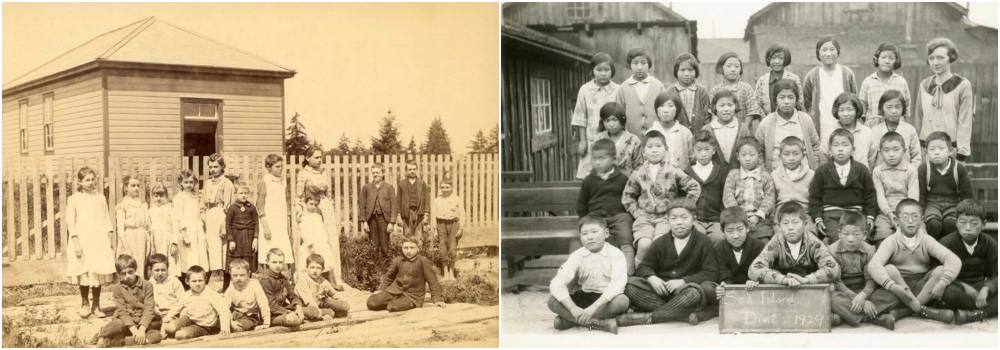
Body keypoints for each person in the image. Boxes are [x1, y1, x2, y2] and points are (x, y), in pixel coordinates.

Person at [617, 199, 718, 327]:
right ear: (668, 220)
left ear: (694, 219)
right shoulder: (661, 242)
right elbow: (644, 266)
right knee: (628, 285)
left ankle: (650, 317)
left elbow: (711, 273)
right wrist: (652, 277)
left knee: (694, 293)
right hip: (661, 292)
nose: (679, 222)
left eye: (684, 217)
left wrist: (683, 281)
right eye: (674, 218)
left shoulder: (703, 242)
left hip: (685, 292)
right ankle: (680, 314)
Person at [866, 199, 961, 324]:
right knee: (890, 269)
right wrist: (892, 286)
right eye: (905, 217)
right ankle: (923, 310)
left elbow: (953, 260)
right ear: (896, 220)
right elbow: (873, 265)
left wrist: (943, 283)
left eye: (915, 217)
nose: (910, 221)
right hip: (900, 286)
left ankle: (905, 311)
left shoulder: (926, 240)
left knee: (940, 271)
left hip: (922, 286)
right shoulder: (891, 241)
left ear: (922, 220)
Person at [622, 130, 701, 266]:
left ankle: (661, 273)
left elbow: (694, 187)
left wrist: (682, 209)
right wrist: (636, 212)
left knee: (661, 241)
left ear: (666, 149)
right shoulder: (639, 172)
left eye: (658, 146)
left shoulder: (673, 170)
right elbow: (628, 196)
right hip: (645, 217)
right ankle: (640, 273)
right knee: (645, 244)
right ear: (643, 152)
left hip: (666, 217)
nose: (654, 150)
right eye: (650, 147)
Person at [547, 216, 629, 334]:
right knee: (552, 301)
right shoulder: (577, 255)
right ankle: (600, 324)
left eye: (594, 232)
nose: (590, 237)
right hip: (584, 297)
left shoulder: (616, 254)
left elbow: (617, 284)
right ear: (580, 237)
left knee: (622, 301)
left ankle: (569, 321)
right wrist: (572, 308)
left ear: (606, 233)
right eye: (584, 233)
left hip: (605, 300)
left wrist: (594, 308)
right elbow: (557, 282)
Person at [828, 212, 897, 329]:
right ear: (839, 234)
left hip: (866, 290)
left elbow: (872, 279)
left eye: (856, 234)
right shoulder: (831, 251)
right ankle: (875, 318)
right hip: (844, 291)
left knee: (893, 293)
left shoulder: (869, 250)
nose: (851, 239)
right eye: (846, 234)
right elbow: (837, 282)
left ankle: (845, 316)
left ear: (865, 235)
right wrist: (860, 300)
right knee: (831, 298)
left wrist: (863, 296)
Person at [808, 128, 878, 244]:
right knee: (837, 240)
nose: (840, 149)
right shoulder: (822, 171)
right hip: (831, 215)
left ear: (853, 150)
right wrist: (817, 218)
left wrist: (870, 216)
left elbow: (870, 195)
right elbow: (815, 197)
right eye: (836, 145)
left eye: (845, 145)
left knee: (857, 240)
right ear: (830, 150)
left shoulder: (861, 170)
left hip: (856, 214)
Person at [697, 207, 765, 324]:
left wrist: (755, 281)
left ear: (747, 228)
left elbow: (762, 270)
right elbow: (723, 273)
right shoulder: (720, 248)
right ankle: (725, 309)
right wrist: (724, 285)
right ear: (723, 232)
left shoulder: (758, 246)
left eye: (740, 229)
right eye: (730, 231)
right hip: (730, 290)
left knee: (763, 289)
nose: (736, 235)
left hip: (751, 288)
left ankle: (716, 311)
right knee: (706, 287)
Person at [748, 202, 840, 289]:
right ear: (779, 226)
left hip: (809, 289)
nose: (790, 228)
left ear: (805, 224)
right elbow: (754, 269)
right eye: (785, 223)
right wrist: (782, 279)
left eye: (795, 222)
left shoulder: (813, 242)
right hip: (782, 290)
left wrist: (808, 280)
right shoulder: (776, 242)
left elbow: (834, 268)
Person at [66, 166, 116, 318]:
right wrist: (76, 242)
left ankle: (96, 305)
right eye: (87, 180)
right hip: (82, 239)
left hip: (98, 239)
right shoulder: (74, 199)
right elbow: (71, 222)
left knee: (97, 271)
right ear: (79, 182)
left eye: (93, 179)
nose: (91, 182)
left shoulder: (100, 198)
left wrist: (109, 238)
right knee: (84, 271)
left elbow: (106, 218)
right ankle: (84, 303)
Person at [914, 37, 974, 161]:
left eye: (940, 58)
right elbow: (918, 118)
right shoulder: (924, 85)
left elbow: (965, 121)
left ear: (950, 58)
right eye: (931, 58)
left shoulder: (962, 85)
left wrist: (961, 152)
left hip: (951, 150)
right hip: (926, 149)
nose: (935, 62)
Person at [938, 199, 998, 324]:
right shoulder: (946, 243)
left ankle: (969, 315)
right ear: (956, 223)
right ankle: (981, 312)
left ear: (984, 224)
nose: (968, 228)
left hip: (979, 285)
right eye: (963, 222)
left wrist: (987, 288)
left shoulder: (990, 243)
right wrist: (964, 287)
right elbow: (937, 273)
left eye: (974, 223)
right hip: (955, 285)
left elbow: (994, 274)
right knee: (948, 294)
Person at [297, 147, 345, 288]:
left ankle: (333, 278)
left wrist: (329, 206)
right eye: (316, 157)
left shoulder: (323, 172)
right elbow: (299, 196)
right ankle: (313, 278)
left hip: (325, 208)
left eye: (320, 157)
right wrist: (300, 210)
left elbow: (329, 194)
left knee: (329, 241)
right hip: (312, 210)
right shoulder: (303, 174)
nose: (319, 160)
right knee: (314, 242)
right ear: (308, 158)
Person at [96, 254, 163, 347]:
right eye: (123, 273)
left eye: (130, 272)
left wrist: (142, 329)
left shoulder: (147, 285)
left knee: (157, 336)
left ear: (135, 270)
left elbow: (149, 309)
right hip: (125, 322)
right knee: (115, 326)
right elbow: (122, 311)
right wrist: (134, 330)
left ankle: (120, 342)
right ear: (118, 275)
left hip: (143, 322)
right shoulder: (117, 288)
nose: (128, 276)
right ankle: (103, 335)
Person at [755, 79, 822, 172]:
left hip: (804, 175)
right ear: (775, 100)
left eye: (790, 97)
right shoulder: (766, 123)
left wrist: (814, 168)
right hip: (775, 176)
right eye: (782, 97)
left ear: (796, 99)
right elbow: (758, 151)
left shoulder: (805, 120)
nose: (786, 101)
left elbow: (815, 146)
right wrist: (765, 174)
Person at [573, 52, 621, 179]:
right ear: (592, 70)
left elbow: (622, 117)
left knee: (611, 175)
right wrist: (582, 141)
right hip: (591, 139)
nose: (603, 73)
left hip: (612, 139)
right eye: (599, 70)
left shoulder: (618, 90)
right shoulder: (585, 90)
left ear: (612, 71)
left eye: (607, 70)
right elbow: (580, 117)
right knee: (590, 176)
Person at [918, 131, 973, 240]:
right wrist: (920, 216)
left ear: (950, 151)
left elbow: (967, 196)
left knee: (950, 224)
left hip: (953, 204)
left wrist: (965, 214)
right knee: (933, 224)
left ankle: (947, 252)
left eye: (941, 148)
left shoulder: (959, 169)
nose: (936, 152)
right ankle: (933, 252)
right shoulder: (924, 169)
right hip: (932, 204)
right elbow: (921, 196)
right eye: (932, 149)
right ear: (926, 152)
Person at [366, 239, 446, 312]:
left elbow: (432, 281)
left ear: (418, 249)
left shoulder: (422, 261)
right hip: (395, 291)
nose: (408, 251)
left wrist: (437, 299)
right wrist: (382, 289)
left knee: (393, 307)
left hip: (412, 296)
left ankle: (397, 303)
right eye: (406, 248)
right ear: (402, 248)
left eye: (412, 248)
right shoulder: (398, 260)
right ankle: (390, 300)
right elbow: (389, 276)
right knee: (372, 302)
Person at [802, 36, 858, 138]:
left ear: (838, 52)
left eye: (832, 49)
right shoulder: (812, 75)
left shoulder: (847, 73)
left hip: (844, 119)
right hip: (821, 123)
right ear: (818, 53)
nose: (828, 54)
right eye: (824, 50)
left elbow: (854, 97)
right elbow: (807, 102)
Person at [723, 137, 776, 244]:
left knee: (764, 243)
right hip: (736, 219)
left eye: (752, 155)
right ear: (738, 156)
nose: (747, 159)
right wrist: (739, 216)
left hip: (760, 221)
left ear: (759, 156)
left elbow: (769, 198)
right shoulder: (733, 174)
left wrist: (758, 215)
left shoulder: (765, 176)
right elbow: (728, 196)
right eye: (743, 155)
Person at [871, 132, 920, 245]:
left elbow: (913, 196)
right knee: (882, 235)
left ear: (904, 150)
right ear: (880, 152)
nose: (891, 154)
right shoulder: (878, 171)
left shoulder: (911, 170)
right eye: (886, 150)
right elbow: (880, 196)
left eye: (896, 149)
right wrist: (889, 214)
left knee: (918, 234)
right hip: (885, 212)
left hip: (908, 211)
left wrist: (905, 215)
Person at [161, 265, 231, 340]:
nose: (197, 284)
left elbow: (223, 309)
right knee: (169, 328)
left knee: (180, 335)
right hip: (189, 319)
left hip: (204, 326)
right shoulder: (187, 294)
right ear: (187, 282)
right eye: (194, 281)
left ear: (205, 280)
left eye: (200, 280)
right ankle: (177, 330)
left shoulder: (211, 294)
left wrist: (225, 327)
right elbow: (176, 308)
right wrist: (165, 320)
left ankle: (187, 331)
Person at [685, 130, 729, 244]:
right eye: (699, 150)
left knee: (719, 239)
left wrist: (722, 220)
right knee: (697, 237)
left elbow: (725, 199)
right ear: (693, 151)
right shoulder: (687, 172)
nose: (703, 154)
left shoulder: (721, 172)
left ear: (714, 150)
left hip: (716, 221)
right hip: (695, 220)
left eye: (707, 149)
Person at [615, 47, 667, 136]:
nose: (639, 67)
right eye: (635, 63)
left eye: (643, 63)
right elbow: (618, 113)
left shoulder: (658, 86)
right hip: (631, 136)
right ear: (629, 65)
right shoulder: (623, 88)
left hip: (655, 135)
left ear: (649, 64)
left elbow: (665, 108)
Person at [257, 154, 295, 272]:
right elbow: (260, 205)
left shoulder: (282, 182)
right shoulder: (264, 182)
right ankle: (267, 278)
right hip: (269, 222)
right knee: (268, 248)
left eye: (281, 166)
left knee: (283, 248)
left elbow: (285, 203)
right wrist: (265, 226)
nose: (280, 169)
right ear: (269, 167)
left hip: (281, 222)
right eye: (277, 166)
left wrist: (288, 222)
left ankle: (284, 278)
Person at [709, 52, 764, 134]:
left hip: (743, 132)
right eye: (729, 66)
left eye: (737, 66)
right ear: (721, 68)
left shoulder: (746, 88)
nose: (733, 69)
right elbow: (713, 113)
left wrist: (742, 129)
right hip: (721, 131)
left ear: (740, 69)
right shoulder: (716, 90)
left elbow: (752, 111)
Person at [820, 93, 876, 170]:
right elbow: (824, 159)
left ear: (857, 110)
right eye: (841, 110)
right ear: (836, 112)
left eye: (849, 109)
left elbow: (871, 159)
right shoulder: (829, 134)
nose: (845, 114)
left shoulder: (867, 133)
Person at [858, 43, 911, 124]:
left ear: (896, 61)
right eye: (883, 57)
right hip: (873, 128)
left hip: (896, 128)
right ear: (877, 59)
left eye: (891, 58)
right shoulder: (868, 82)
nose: (887, 61)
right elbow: (861, 109)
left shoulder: (901, 82)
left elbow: (906, 108)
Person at [868, 89, 921, 166]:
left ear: (903, 108)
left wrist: (911, 173)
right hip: (881, 175)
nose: (893, 111)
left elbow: (916, 157)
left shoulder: (910, 130)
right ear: (882, 108)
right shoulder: (875, 131)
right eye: (889, 107)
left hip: (905, 174)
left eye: (898, 107)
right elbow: (871, 159)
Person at [202, 153, 234, 280]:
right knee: (210, 247)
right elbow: (203, 202)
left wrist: (224, 224)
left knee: (223, 248)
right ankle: (209, 278)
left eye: (215, 167)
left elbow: (229, 206)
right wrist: (203, 216)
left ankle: (226, 281)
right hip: (209, 215)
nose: (213, 170)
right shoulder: (208, 183)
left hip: (221, 214)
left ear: (222, 167)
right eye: (210, 167)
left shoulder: (227, 183)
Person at [174, 170, 208, 283]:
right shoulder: (179, 197)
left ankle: (198, 279)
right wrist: (184, 234)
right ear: (181, 183)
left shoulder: (195, 197)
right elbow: (178, 217)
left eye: (191, 182)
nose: (189, 185)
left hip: (197, 229)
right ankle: (187, 282)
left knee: (199, 255)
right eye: (186, 182)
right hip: (187, 231)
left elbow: (199, 212)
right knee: (188, 257)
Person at [702, 90, 751, 169]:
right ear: (715, 107)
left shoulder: (742, 128)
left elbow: (749, 150)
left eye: (730, 105)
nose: (726, 109)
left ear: (735, 106)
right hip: (714, 175)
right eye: (721, 105)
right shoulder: (707, 129)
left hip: (737, 173)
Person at [258, 249, 306, 327]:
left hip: (285, 309)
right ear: (267, 262)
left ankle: (301, 317)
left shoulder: (283, 278)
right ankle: (300, 319)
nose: (278, 265)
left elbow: (293, 296)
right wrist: (288, 312)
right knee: (292, 319)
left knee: (312, 311)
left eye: (280, 262)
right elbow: (271, 306)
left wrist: (298, 307)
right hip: (273, 315)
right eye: (274, 262)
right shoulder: (265, 280)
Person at [645, 92, 693, 169]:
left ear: (677, 109)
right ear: (656, 109)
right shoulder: (651, 132)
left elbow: (692, 158)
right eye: (661, 106)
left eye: (670, 106)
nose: (666, 110)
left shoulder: (685, 133)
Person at [298, 188, 337, 285]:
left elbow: (322, 230)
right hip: (311, 244)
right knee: (311, 262)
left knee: (326, 261)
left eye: (315, 205)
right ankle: (310, 283)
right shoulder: (303, 217)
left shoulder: (318, 216)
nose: (313, 207)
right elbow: (304, 232)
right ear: (305, 204)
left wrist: (325, 241)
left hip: (321, 242)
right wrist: (310, 244)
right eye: (311, 204)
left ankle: (329, 283)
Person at [296, 254, 350, 321]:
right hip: (306, 306)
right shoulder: (303, 281)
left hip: (319, 304)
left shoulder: (322, 280)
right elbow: (309, 301)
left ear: (322, 269)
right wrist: (319, 313)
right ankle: (319, 317)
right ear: (306, 268)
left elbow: (334, 293)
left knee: (342, 306)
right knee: (329, 313)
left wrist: (341, 301)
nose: (315, 271)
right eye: (312, 267)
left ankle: (325, 314)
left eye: (318, 268)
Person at [360, 163, 398, 256]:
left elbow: (394, 205)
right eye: (373, 173)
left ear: (383, 173)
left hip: (384, 219)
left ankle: (387, 268)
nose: (375, 174)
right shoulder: (367, 187)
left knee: (385, 245)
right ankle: (375, 268)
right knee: (373, 245)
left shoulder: (389, 187)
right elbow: (362, 205)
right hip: (371, 219)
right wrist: (364, 221)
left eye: (378, 172)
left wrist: (391, 222)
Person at [754, 43, 804, 115]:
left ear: (786, 59)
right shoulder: (762, 80)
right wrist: (765, 119)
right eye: (773, 58)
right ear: (768, 59)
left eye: (781, 58)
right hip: (767, 121)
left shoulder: (794, 78)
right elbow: (757, 103)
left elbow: (799, 102)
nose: (777, 61)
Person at [667, 52, 712, 131]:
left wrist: (704, 132)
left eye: (690, 70)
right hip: (677, 134)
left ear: (696, 72)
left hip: (700, 135)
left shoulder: (702, 91)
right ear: (676, 72)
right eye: (682, 70)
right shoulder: (670, 92)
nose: (686, 74)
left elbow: (707, 116)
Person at [116, 176, 150, 279]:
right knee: (130, 263)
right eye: (133, 185)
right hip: (130, 237)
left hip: (142, 237)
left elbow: (147, 224)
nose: (136, 188)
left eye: (138, 186)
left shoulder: (143, 204)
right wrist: (126, 247)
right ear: (126, 188)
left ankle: (140, 289)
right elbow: (121, 230)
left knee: (141, 263)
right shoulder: (123, 205)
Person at [594, 102, 642, 176]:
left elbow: (639, 167)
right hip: (603, 183)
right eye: (607, 120)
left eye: (614, 120)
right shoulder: (598, 139)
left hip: (627, 183)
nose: (611, 124)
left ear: (622, 120)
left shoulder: (634, 140)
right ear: (602, 121)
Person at [432, 178, 466, 281]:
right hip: (441, 224)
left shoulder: (457, 199)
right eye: (443, 187)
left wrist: (461, 227)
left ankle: (451, 272)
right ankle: (445, 272)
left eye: (447, 187)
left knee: (452, 248)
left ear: (452, 187)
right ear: (440, 188)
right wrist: (434, 229)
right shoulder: (437, 200)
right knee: (442, 247)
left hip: (453, 224)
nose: (445, 189)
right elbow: (433, 215)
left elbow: (462, 214)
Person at [224, 258, 270, 332]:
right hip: (235, 315)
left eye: (242, 275)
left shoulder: (254, 285)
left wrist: (266, 322)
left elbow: (263, 303)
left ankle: (235, 326)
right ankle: (230, 325)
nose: (238, 278)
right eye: (235, 275)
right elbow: (224, 306)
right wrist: (230, 321)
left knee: (238, 328)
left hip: (250, 316)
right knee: (219, 319)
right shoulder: (231, 287)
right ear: (230, 273)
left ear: (248, 274)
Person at [771, 136, 815, 213]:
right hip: (781, 215)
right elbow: (771, 200)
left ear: (803, 156)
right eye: (786, 154)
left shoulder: (811, 175)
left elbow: (815, 199)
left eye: (796, 154)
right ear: (780, 156)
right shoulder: (774, 175)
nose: (791, 158)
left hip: (804, 214)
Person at [148, 184, 181, 278]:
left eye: (161, 196)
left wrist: (175, 243)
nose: (158, 199)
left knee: (170, 260)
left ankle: (171, 282)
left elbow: (175, 226)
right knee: (157, 260)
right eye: (156, 196)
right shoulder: (150, 211)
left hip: (168, 240)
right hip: (155, 240)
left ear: (166, 196)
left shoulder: (170, 210)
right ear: (152, 197)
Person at [225, 183, 258, 274]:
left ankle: (248, 283)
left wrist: (255, 239)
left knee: (248, 262)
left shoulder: (252, 208)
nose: (243, 195)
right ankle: (227, 286)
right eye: (241, 193)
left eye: (245, 193)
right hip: (236, 237)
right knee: (233, 262)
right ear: (236, 193)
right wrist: (231, 240)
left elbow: (256, 223)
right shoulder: (232, 208)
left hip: (248, 237)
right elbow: (228, 224)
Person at [397, 159, 431, 245]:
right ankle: (409, 256)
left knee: (419, 237)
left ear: (417, 170)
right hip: (407, 213)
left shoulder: (422, 183)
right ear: (406, 171)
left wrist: (426, 214)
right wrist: (398, 215)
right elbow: (398, 201)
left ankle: (419, 255)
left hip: (419, 213)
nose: (412, 171)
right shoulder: (402, 184)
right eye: (410, 169)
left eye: (414, 169)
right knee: (407, 236)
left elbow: (427, 199)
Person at [147, 254, 183, 318]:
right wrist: (156, 311)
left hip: (173, 313)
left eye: (163, 270)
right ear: (151, 270)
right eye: (157, 270)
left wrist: (171, 314)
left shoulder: (174, 281)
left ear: (167, 269)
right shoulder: (149, 284)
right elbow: (149, 301)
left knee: (171, 325)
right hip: (156, 314)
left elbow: (182, 301)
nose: (160, 273)